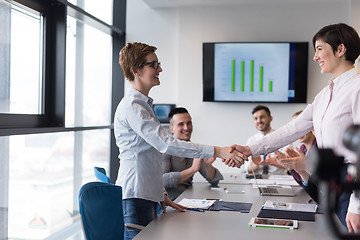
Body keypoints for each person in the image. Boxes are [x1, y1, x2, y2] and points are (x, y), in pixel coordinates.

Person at [224, 23, 360, 231]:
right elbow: (292, 129)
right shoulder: (325, 94)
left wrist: (357, 206)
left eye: (319, 49)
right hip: (331, 181)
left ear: (340, 50)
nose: (315, 57)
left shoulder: (357, 88)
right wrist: (250, 150)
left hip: (352, 183)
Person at [115, 42, 244, 239]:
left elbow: (149, 158)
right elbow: (166, 143)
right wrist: (218, 150)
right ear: (136, 70)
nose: (160, 69)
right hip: (136, 195)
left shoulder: (143, 105)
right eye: (153, 64)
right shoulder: (133, 106)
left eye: (158, 63)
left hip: (146, 194)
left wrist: (161, 194)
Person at [162, 107, 223, 200]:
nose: (186, 128)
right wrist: (192, 170)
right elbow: (161, 181)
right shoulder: (165, 148)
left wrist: (208, 165)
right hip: (168, 203)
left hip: (187, 199)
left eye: (189, 123)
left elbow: (215, 180)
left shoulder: (194, 148)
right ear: (172, 129)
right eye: (181, 124)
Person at [268, 110, 319, 202]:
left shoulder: (320, 147)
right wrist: (290, 167)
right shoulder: (303, 148)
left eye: (300, 126)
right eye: (294, 127)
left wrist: (304, 167)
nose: (297, 131)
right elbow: (303, 182)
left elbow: (320, 183)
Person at [242, 105, 286, 175]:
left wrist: (275, 163)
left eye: (262, 117)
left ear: (270, 118)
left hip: (278, 179)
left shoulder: (282, 137)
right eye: (256, 118)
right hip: (257, 178)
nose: (259, 121)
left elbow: (290, 166)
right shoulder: (251, 140)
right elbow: (248, 168)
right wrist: (256, 164)